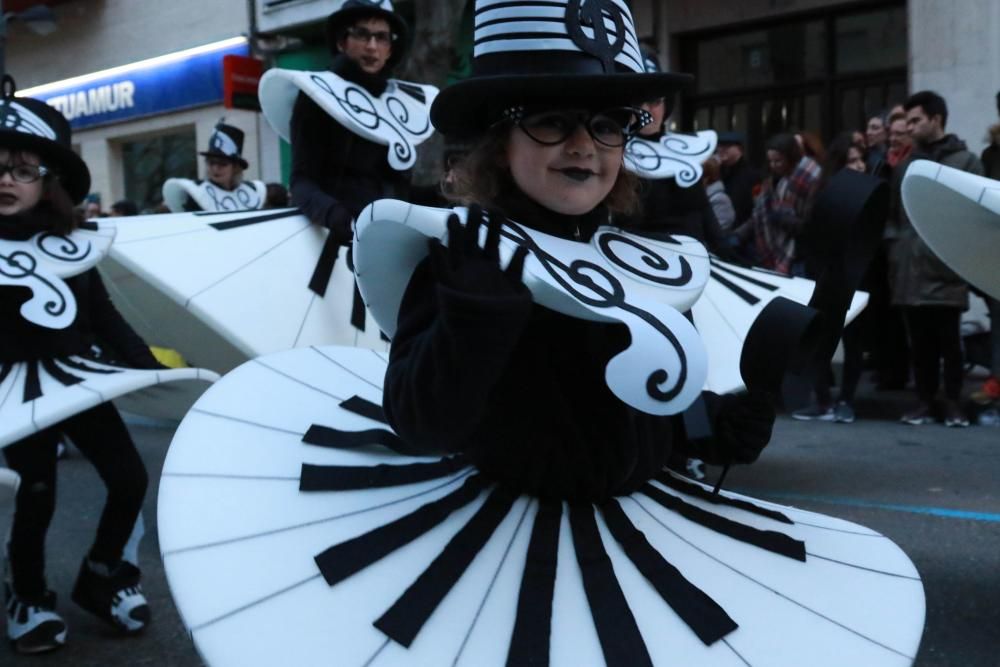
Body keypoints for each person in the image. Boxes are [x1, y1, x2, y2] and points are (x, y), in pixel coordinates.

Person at [0, 87, 157, 653]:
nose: (6, 180)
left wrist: (152, 375)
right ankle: (29, 595)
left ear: (49, 180)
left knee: (130, 478)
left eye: (23, 169)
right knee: (36, 494)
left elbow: (104, 314)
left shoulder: (73, 243)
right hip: (14, 391)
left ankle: (102, 574)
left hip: (79, 379)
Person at [889, 90, 984, 426]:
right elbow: (894, 217)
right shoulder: (906, 165)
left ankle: (953, 402)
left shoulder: (966, 161)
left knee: (950, 344)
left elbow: (976, 217)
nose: (909, 127)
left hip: (946, 267)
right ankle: (926, 401)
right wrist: (897, 251)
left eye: (916, 120)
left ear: (936, 119)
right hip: (909, 270)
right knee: (921, 346)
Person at [793, 132, 869, 422]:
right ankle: (823, 399)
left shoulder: (869, 189)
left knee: (854, 342)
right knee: (821, 338)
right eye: (852, 160)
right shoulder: (826, 193)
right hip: (829, 274)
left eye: (861, 159)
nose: (860, 165)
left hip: (860, 276)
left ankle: (845, 400)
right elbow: (815, 234)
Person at [733, 132, 821, 274]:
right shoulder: (777, 179)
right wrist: (738, 235)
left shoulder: (809, 178)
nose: (773, 165)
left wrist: (782, 217)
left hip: (799, 255)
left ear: (791, 158)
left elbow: (812, 225)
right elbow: (760, 213)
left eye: (778, 161)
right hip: (777, 248)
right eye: (770, 161)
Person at [161, 120, 266, 212]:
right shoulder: (196, 196)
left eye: (223, 164)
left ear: (235, 168)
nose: (215, 168)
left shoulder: (251, 193)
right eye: (211, 163)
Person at [715, 131, 761, 226]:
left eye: (727, 147)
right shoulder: (716, 173)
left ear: (739, 149)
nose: (721, 150)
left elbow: (757, 208)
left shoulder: (752, 175)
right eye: (719, 146)